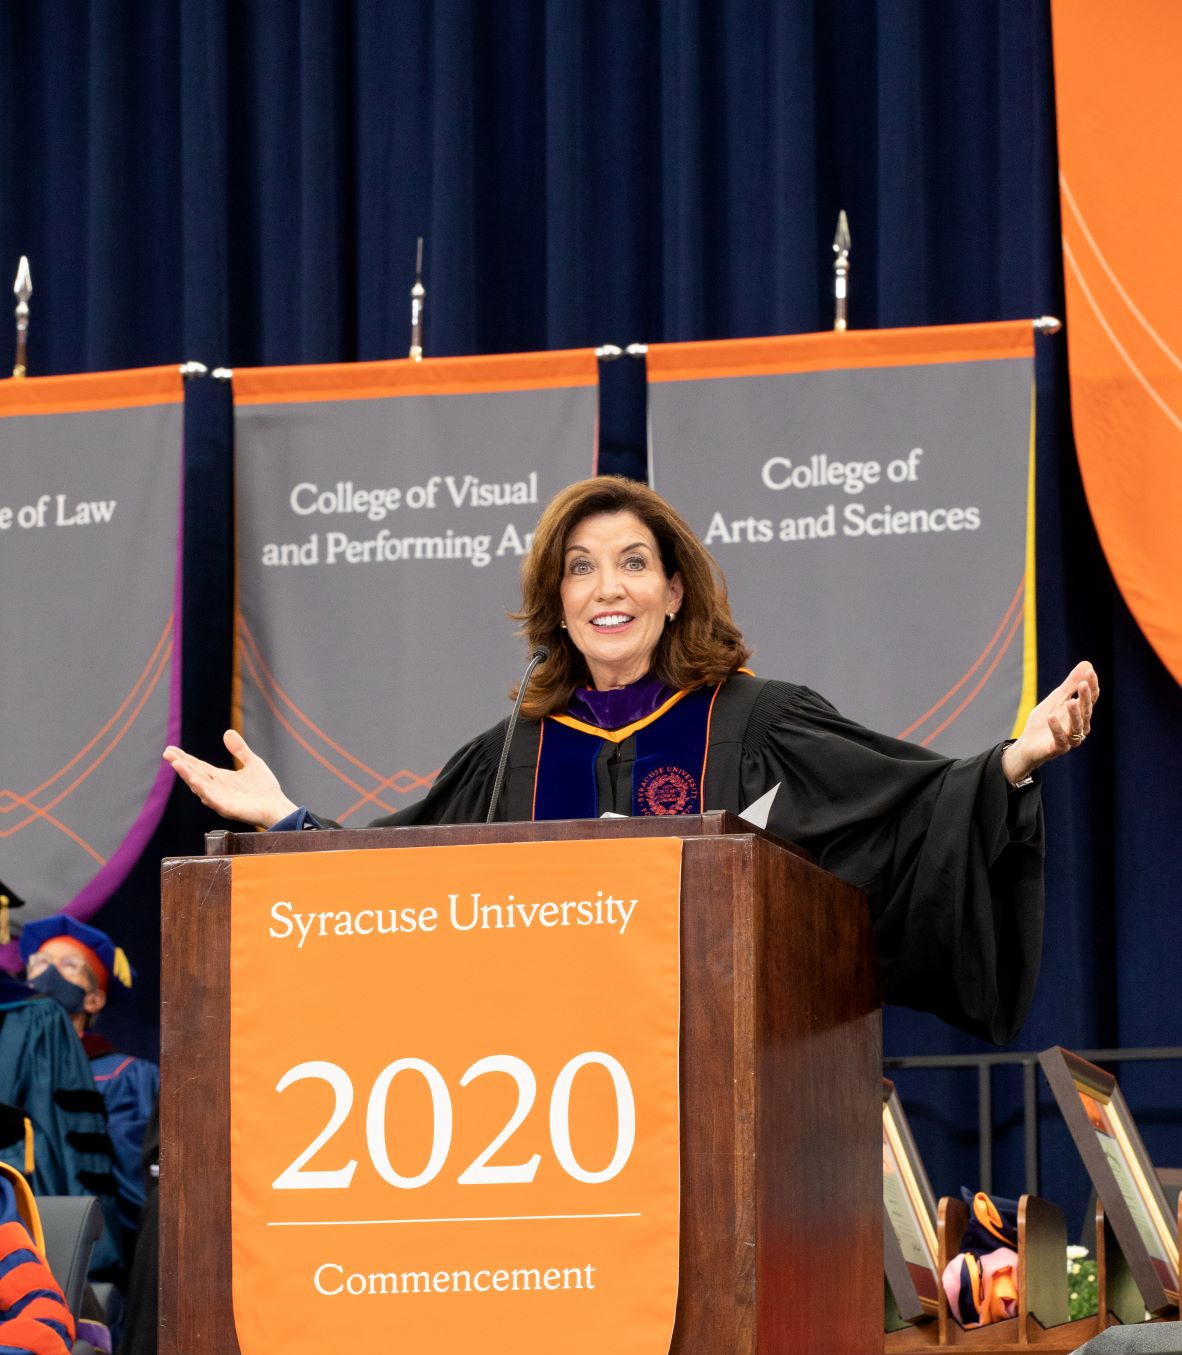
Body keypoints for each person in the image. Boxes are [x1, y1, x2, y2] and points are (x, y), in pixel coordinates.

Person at [164, 476, 1098, 1043]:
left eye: (632, 562)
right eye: (579, 567)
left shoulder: (760, 721)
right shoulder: (510, 759)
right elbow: (404, 886)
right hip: (546, 1088)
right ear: (556, 601)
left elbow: (905, 813)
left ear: (673, 588)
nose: (606, 587)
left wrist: (1017, 757)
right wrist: (287, 820)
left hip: (721, 1064)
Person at [20, 915, 159, 1249]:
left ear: (94, 999)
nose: (48, 973)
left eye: (69, 965)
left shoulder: (127, 1076)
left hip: (92, 1254)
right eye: (39, 963)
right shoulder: (12, 1070)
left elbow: (135, 1188)